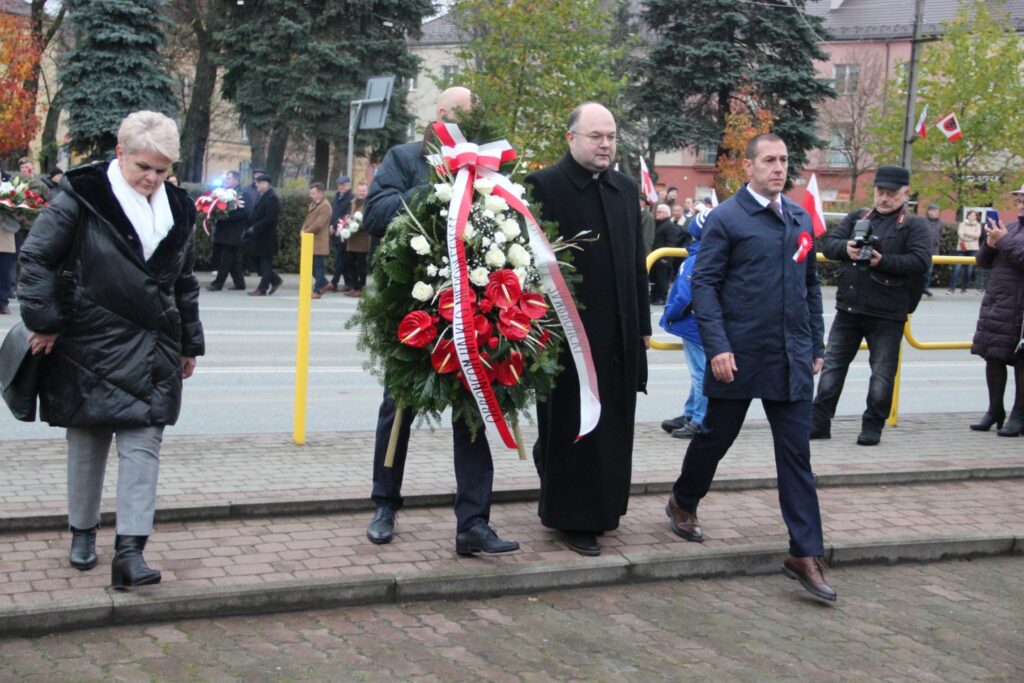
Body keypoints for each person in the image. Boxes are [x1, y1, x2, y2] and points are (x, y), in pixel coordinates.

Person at [17, 111, 204, 589]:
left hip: (155, 346)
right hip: (88, 341)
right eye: (144, 166)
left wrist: (189, 343)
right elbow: (37, 258)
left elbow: (183, 282)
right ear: (120, 153)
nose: (152, 179)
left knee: (145, 446)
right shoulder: (81, 196)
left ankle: (130, 551)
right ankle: (82, 533)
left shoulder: (179, 207)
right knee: (87, 441)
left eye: (162, 170)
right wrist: (44, 321)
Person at [666, 133, 835, 602]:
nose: (779, 168)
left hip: (790, 357)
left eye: (783, 160)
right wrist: (717, 346)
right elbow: (705, 285)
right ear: (748, 167)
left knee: (796, 456)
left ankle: (804, 553)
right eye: (769, 160)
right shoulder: (727, 218)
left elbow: (811, 284)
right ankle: (683, 500)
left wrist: (814, 341)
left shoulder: (800, 218)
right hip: (738, 357)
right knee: (715, 438)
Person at [362, 86, 519, 556]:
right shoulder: (405, 157)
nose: (467, 126)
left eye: (475, 118)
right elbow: (375, 214)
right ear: (441, 114)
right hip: (417, 302)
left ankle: (473, 522)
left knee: (472, 409)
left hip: (476, 305)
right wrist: (435, 186)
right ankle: (385, 503)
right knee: (399, 406)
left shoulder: (490, 161)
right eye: (460, 115)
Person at [526, 102, 651, 557]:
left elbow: (637, 263)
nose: (605, 144)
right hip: (566, 337)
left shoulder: (624, 188)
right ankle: (570, 516)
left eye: (611, 136)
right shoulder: (542, 187)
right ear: (571, 138)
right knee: (572, 427)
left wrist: (642, 327)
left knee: (614, 424)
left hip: (618, 333)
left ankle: (605, 508)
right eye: (596, 136)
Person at [810, 166, 932, 446]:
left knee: (882, 374)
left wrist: (881, 260)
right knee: (832, 368)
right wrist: (847, 249)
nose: (884, 198)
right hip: (849, 308)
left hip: (888, 313)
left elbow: (921, 261)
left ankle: (872, 426)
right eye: (880, 192)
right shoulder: (858, 217)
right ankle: (818, 422)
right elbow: (829, 244)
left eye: (891, 193)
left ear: (905, 194)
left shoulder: (913, 225)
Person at [969, 185, 1024, 436]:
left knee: (1022, 360)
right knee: (993, 355)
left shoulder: (1008, 234)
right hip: (1000, 302)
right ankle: (995, 409)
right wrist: (990, 244)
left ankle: (1019, 414)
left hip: (1020, 305)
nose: (1020, 203)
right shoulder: (1010, 228)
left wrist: (1004, 241)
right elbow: (982, 262)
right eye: (1019, 199)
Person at [659, 210, 708, 439]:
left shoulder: (696, 258)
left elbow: (685, 296)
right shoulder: (711, 255)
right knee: (699, 371)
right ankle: (690, 413)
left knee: (700, 373)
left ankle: (699, 419)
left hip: (693, 324)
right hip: (703, 323)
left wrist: (671, 314)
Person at [207, 170, 248, 291]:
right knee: (232, 260)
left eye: (229, 179)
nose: (226, 181)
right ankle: (240, 284)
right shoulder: (222, 193)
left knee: (225, 260)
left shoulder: (242, 194)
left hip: (233, 232)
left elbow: (244, 212)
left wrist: (225, 216)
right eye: (226, 178)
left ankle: (217, 284)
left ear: (235, 180)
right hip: (224, 231)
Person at [244, 174, 283, 296]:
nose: (256, 185)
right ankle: (275, 279)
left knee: (265, 264)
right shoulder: (263, 195)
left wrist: (255, 227)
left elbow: (270, 218)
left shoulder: (272, 198)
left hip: (266, 237)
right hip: (258, 236)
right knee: (256, 262)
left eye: (258, 183)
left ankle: (262, 289)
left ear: (266, 184)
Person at [301, 182, 332, 299]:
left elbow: (319, 224)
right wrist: (302, 230)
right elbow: (308, 220)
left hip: (319, 241)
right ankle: (325, 283)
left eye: (313, 193)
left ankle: (318, 290)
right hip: (311, 240)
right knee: (312, 267)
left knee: (318, 268)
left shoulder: (325, 206)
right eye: (311, 193)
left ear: (320, 193)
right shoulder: (314, 204)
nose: (311, 195)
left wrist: (306, 231)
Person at [342, 182, 370, 297]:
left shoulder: (369, 203)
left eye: (364, 190)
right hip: (352, 239)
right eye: (360, 190)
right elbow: (351, 216)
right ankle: (354, 286)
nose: (362, 193)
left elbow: (367, 220)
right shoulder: (353, 202)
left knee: (361, 264)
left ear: (367, 191)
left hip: (362, 239)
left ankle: (361, 287)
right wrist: (347, 222)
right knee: (350, 263)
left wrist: (356, 226)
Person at [650, 203, 680, 305]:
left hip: (663, 258)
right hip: (655, 257)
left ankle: (661, 297)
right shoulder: (657, 223)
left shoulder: (670, 226)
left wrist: (666, 257)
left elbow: (671, 242)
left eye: (659, 212)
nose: (657, 213)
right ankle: (654, 296)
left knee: (662, 279)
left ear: (666, 213)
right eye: (657, 211)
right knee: (654, 278)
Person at [327, 175, 353, 292]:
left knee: (340, 258)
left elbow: (347, 215)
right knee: (343, 259)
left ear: (348, 185)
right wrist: (331, 226)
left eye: (343, 185)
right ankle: (349, 283)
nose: (341, 187)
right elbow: (334, 213)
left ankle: (334, 282)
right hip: (335, 232)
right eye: (339, 185)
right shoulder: (337, 196)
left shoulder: (351, 198)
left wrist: (337, 226)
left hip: (344, 232)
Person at [949, 209, 982, 294]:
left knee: (969, 270)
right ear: (967, 215)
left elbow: (977, 235)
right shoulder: (962, 224)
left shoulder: (978, 225)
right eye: (971, 215)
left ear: (976, 217)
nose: (972, 217)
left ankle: (964, 289)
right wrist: (971, 237)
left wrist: (966, 233)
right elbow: (961, 235)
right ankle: (952, 288)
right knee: (957, 268)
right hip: (962, 248)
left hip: (973, 249)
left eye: (974, 215)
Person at [921, 203, 943, 297]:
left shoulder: (940, 223)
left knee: (929, 271)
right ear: (929, 211)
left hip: (933, 250)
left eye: (937, 211)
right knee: (920, 270)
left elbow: (939, 235)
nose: (936, 213)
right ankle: (918, 288)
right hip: (922, 249)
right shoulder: (922, 221)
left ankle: (925, 288)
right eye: (934, 211)